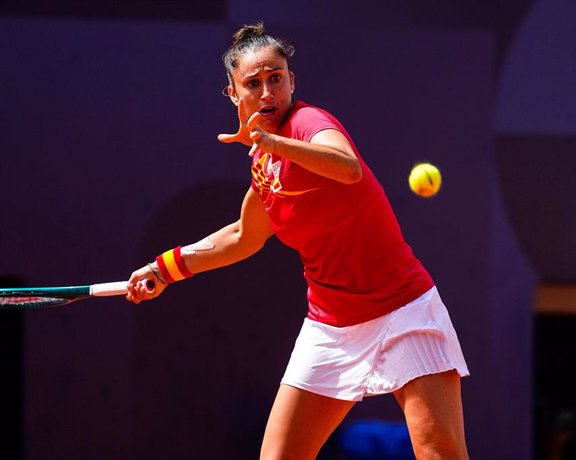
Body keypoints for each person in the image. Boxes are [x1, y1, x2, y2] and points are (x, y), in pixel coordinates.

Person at [127, 21, 471, 460]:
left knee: (439, 453)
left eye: (276, 79)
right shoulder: (263, 165)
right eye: (253, 83)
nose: (267, 92)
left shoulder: (308, 122)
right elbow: (241, 235)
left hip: (402, 309)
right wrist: (164, 268)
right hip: (330, 326)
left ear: (292, 81)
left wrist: (274, 141)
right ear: (234, 94)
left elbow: (347, 167)